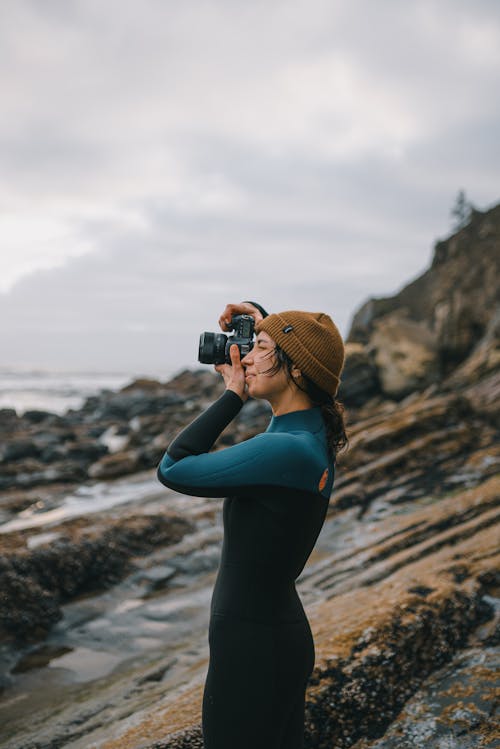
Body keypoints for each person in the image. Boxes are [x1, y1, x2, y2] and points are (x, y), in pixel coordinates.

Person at [157, 301, 348, 749]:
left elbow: (174, 467)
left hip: (253, 650)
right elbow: (305, 349)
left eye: (259, 348)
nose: (246, 357)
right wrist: (261, 321)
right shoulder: (306, 435)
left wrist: (232, 395)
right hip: (272, 639)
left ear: (297, 370)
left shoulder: (286, 450)